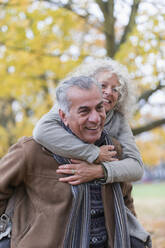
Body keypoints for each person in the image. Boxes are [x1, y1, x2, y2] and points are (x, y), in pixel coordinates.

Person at [0, 76, 150, 248]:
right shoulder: (31, 151)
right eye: (84, 111)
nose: (95, 118)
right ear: (63, 116)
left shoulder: (113, 150)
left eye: (99, 108)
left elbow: (125, 202)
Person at [33, 58, 144, 184]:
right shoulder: (68, 107)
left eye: (115, 89)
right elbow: (41, 131)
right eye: (103, 85)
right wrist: (94, 153)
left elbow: (137, 167)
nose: (109, 92)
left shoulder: (118, 121)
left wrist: (99, 171)